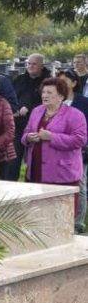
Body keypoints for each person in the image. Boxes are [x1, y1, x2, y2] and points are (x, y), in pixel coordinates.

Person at [21, 78, 87, 196]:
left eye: (49, 92)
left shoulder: (75, 114)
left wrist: (52, 137)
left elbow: (80, 140)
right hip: (35, 170)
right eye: (43, 92)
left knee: (61, 208)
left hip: (62, 175)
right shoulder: (36, 111)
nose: (44, 95)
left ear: (61, 96)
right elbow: (26, 133)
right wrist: (28, 138)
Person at [57, 69, 88, 232]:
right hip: (57, 149)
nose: (60, 84)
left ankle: (78, 222)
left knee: (80, 184)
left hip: (80, 150)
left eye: (64, 81)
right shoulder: (56, 101)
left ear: (74, 83)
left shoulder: (83, 102)